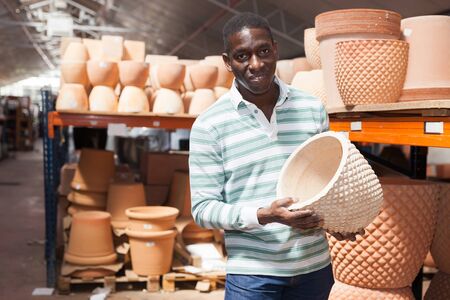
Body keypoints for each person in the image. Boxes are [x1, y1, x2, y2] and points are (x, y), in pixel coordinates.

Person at [189, 12, 362, 300]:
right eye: (242, 56)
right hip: (252, 275)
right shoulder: (209, 125)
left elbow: (325, 181)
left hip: (314, 269)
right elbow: (203, 209)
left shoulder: (311, 108)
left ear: (276, 49)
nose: (255, 64)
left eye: (263, 51)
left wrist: (338, 219)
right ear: (227, 62)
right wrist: (264, 216)